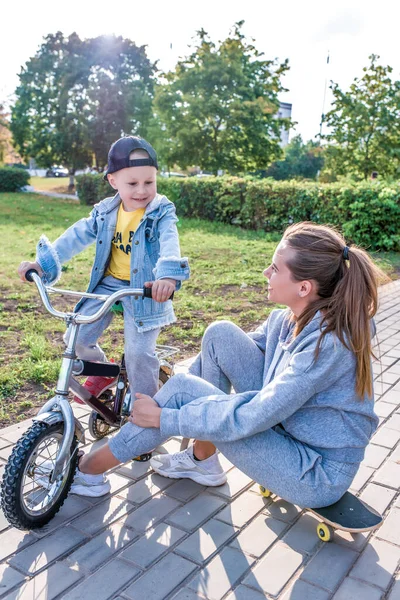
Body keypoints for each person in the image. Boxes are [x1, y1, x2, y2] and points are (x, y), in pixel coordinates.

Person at [56, 222, 382, 506]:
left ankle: (87, 471)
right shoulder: (291, 318)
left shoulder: (326, 346)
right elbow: (243, 358)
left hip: (314, 471)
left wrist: (169, 416)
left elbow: (257, 413)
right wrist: (179, 407)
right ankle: (202, 460)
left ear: (304, 287)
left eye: (275, 269)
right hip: (291, 427)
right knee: (220, 335)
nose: (265, 273)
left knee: (182, 393)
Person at [18, 135, 190, 415]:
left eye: (149, 182)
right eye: (132, 183)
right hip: (109, 285)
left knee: (138, 354)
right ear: (113, 181)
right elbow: (76, 235)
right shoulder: (106, 211)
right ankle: (104, 371)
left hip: (145, 289)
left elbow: (170, 241)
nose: (142, 190)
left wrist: (168, 278)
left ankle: (146, 410)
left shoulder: (161, 212)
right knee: (78, 337)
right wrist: (42, 264)